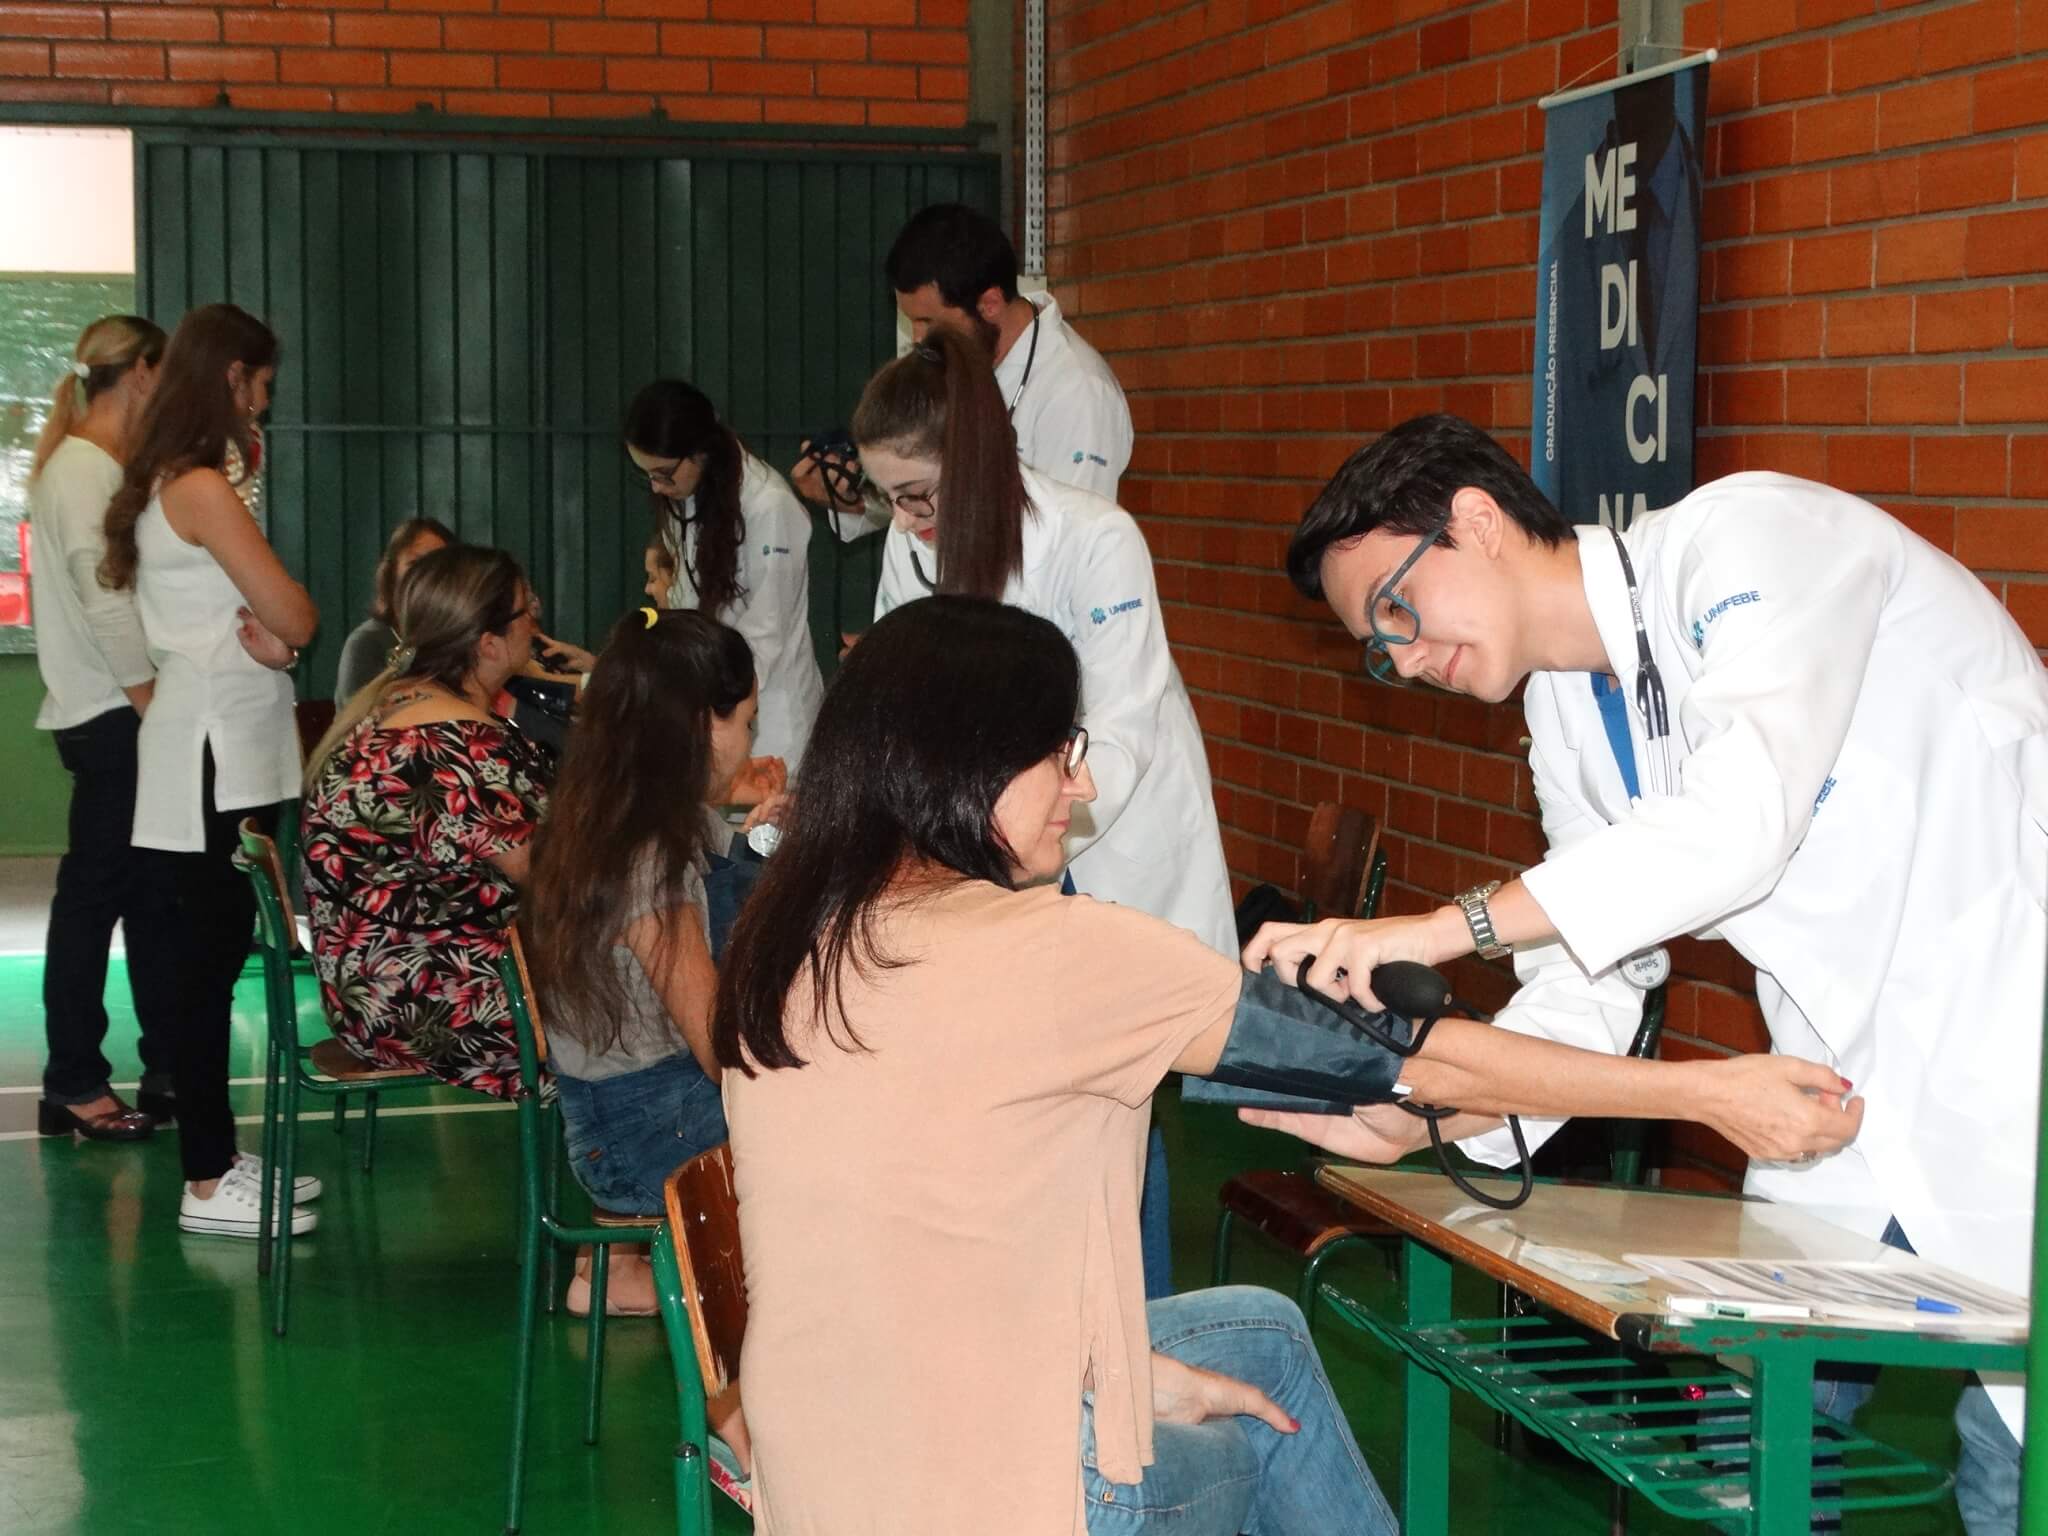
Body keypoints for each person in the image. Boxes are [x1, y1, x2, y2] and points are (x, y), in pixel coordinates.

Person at [713, 595, 1861, 1536]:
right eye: (1061, 756)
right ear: (967, 766)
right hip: (1005, 1498)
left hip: (821, 1466)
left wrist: (1123, 1372)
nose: (1086, 785)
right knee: (1271, 1436)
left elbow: (906, 1244)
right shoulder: (1057, 949)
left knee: (1256, 1332)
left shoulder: (789, 938)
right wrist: (1704, 1092)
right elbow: (1420, 1060)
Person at [1250, 412, 2047, 1535]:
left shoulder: (1751, 540)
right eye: (1383, 652)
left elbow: (1740, 824)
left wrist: (1440, 928)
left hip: (2013, 1050)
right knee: (1747, 1433)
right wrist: (1441, 1120)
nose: (1408, 659)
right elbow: (1594, 976)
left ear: (1474, 522)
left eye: (1398, 610)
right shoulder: (1565, 708)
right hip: (1844, 1088)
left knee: (2010, 1464)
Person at [853, 327, 1226, 1297]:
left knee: (1111, 1117)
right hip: (998, 874)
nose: (904, 520)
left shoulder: (1094, 539)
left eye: (918, 495)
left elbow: (1122, 732)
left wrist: (1000, 849)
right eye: (891, 499)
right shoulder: (912, 544)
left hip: (1112, 861)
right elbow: (910, 701)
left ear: (972, 464)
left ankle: (1132, 1349)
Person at [101, 302, 321, 1238]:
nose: (264, 407)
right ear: (231, 378)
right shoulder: (197, 486)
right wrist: (284, 635)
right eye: (260, 389)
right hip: (210, 759)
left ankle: (218, 1154)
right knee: (201, 970)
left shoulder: (176, 478)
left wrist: (275, 643)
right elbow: (297, 614)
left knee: (213, 961)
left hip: (227, 748)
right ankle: (203, 1180)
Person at [524, 607, 758, 1315]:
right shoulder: (653, 860)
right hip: (646, 1132)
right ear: (698, 728)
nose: (751, 743)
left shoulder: (605, 807)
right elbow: (721, 1052)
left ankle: (616, 1274)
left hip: (611, 1114)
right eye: (747, 720)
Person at [300, 544, 549, 1101]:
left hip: (369, 984)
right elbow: (554, 873)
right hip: (427, 998)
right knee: (640, 1002)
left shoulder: (391, 704)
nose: (537, 618)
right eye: (527, 607)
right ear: (488, 643)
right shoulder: (453, 747)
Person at [30, 313, 175, 1142]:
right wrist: (154, 704)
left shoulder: (86, 464)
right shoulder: (83, 470)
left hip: (119, 713)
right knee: (94, 904)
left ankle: (159, 1070)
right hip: (114, 716)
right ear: (146, 373)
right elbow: (107, 600)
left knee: (147, 902)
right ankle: (77, 1083)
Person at [795, 202, 1134, 532]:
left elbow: (1069, 537)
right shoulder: (953, 363)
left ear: (989, 304)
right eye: (910, 321)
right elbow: (931, 498)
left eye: (928, 321)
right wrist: (856, 497)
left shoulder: (1077, 392)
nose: (918, 338)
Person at [623, 380, 824, 772]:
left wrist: (711, 709)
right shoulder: (689, 495)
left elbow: (766, 634)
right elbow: (687, 601)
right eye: (646, 475)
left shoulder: (769, 507)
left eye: (664, 474)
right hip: (715, 707)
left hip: (769, 720)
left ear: (700, 452)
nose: (656, 487)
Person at [334, 517, 454, 701]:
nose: (426, 574)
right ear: (392, 572)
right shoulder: (366, 643)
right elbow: (361, 721)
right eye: (415, 564)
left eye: (437, 565)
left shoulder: (459, 640)